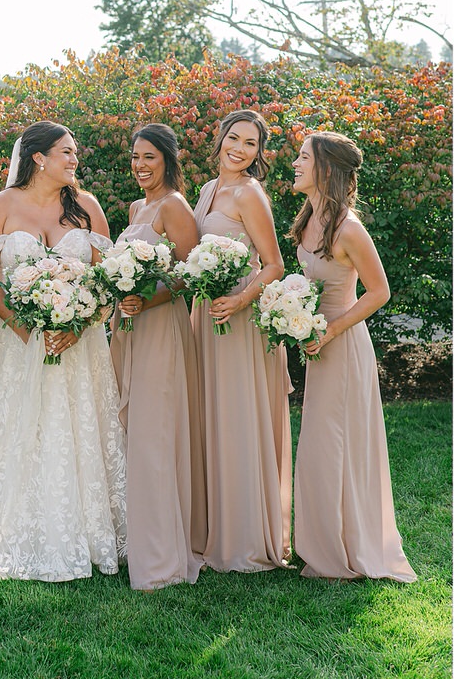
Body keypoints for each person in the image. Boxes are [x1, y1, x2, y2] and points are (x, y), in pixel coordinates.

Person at [0, 121, 126, 581]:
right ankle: (11, 530)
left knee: (75, 424)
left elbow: (109, 281)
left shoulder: (88, 208)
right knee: (20, 426)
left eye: (75, 153)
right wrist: (23, 327)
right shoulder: (0, 205)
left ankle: (85, 529)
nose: (74, 160)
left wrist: (79, 323)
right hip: (15, 341)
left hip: (79, 344)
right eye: (66, 152)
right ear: (39, 157)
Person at [290, 132, 416, 581]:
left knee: (334, 445)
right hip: (317, 344)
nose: (295, 164)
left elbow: (379, 292)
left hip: (341, 346)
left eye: (303, 158)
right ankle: (321, 544)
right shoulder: (307, 220)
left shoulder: (349, 228)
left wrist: (327, 330)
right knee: (318, 446)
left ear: (326, 168)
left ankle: (345, 550)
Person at [191, 109, 292, 572]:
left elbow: (273, 265)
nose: (240, 149)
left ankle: (243, 536)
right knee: (210, 415)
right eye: (234, 138)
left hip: (237, 316)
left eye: (251, 144)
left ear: (258, 153)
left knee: (235, 417)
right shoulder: (209, 190)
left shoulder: (250, 194)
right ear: (220, 139)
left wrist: (238, 301)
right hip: (205, 314)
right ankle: (213, 525)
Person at [110, 124, 205, 590]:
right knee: (133, 430)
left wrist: (145, 299)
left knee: (155, 433)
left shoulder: (175, 206)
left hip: (161, 329)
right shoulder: (136, 208)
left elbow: (190, 273)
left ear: (167, 159)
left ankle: (163, 556)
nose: (140, 165)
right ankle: (138, 540)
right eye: (134, 157)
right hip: (129, 328)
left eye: (149, 157)